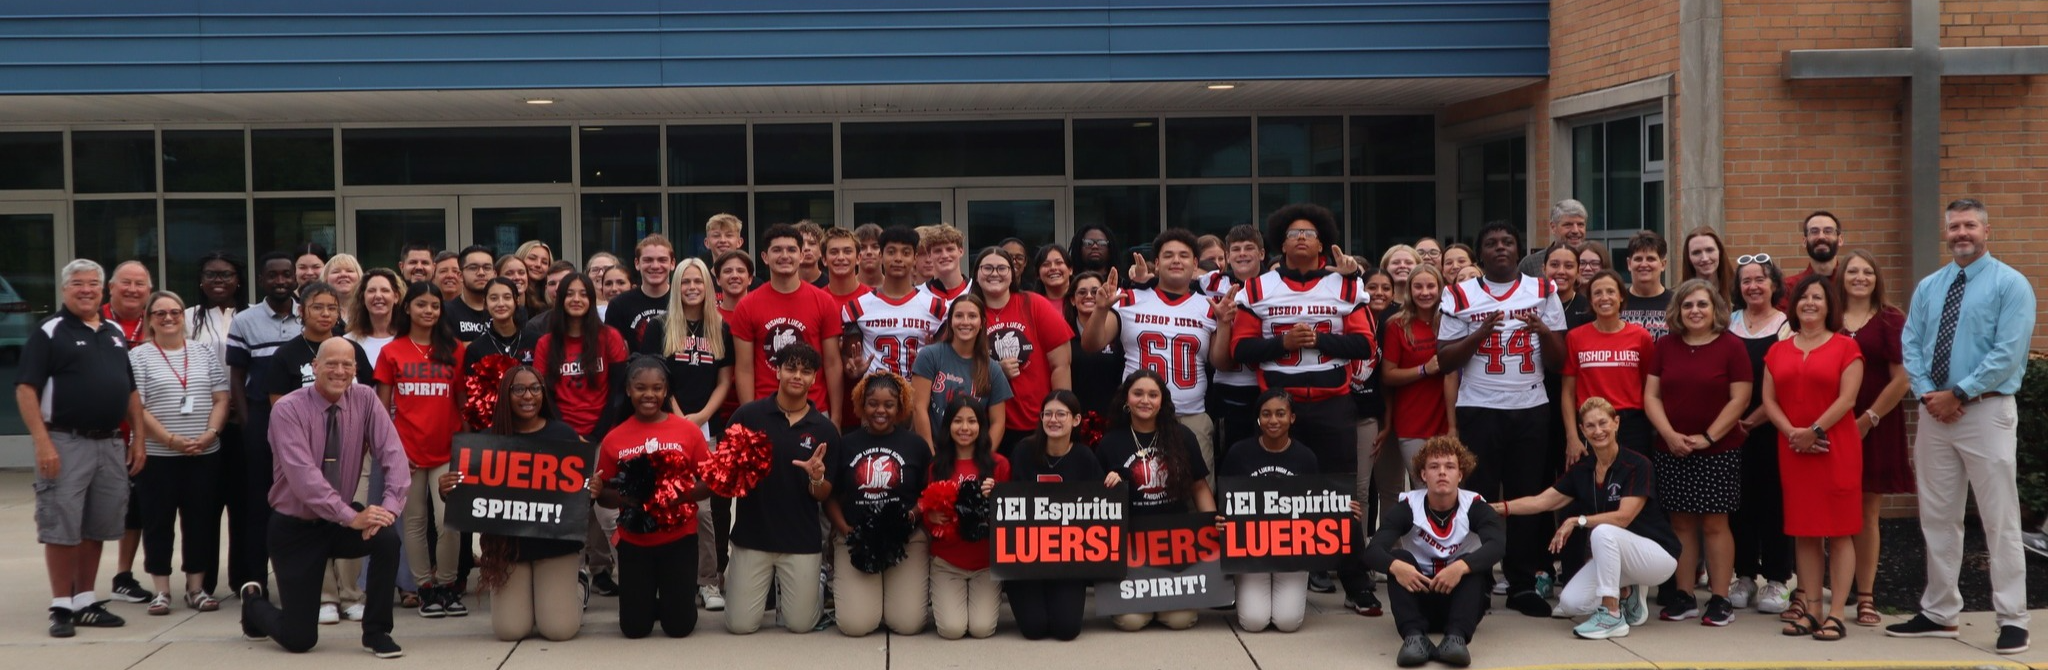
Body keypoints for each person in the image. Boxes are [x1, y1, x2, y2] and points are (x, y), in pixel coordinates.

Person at [1888, 199, 2035, 654]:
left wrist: (1961, 393)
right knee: (1937, 516)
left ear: (1987, 231)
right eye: (1954, 226)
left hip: (1986, 413)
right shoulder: (1932, 286)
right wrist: (1932, 394)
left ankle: (2013, 618)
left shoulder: (2011, 285)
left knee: (1999, 519)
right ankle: (1939, 612)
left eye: (1970, 225)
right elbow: (1911, 342)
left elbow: (2008, 353)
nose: (1961, 233)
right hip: (1937, 414)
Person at [1232, 203, 1379, 612]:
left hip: (1333, 405)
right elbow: (1239, 349)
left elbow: (1366, 344)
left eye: (1308, 232)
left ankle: (1355, 581)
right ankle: (1267, 573)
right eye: (1293, 232)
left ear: (1322, 242)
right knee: (1272, 492)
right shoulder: (1258, 288)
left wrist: (1317, 340)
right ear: (1281, 243)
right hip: (1278, 408)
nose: (1300, 237)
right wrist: (1282, 344)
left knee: (1340, 496)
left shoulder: (1347, 287)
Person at [239, 337, 407, 658]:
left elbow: (394, 456)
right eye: (331, 363)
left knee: (386, 537)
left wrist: (389, 509)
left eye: (347, 364)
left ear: (356, 370)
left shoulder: (366, 399)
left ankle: (377, 632)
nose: (339, 371)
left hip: (339, 522)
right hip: (296, 528)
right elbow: (305, 480)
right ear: (314, 367)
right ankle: (253, 602)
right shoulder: (287, 409)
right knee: (299, 638)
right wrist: (352, 517)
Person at [1433, 222, 1566, 618]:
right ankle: (1478, 581)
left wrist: (1542, 329)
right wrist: (1480, 333)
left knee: (1527, 496)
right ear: (1481, 253)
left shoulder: (1543, 290)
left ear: (1518, 248)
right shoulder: (1459, 293)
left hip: (1529, 406)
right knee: (1479, 496)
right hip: (1479, 406)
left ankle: (1522, 582)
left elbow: (1559, 361)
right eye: (1491, 243)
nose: (1500, 248)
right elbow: (1445, 360)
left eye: (1508, 242)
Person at [20, 259, 144, 637]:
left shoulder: (112, 333)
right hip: (64, 441)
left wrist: (138, 438)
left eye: (93, 283)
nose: (86, 289)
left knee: (97, 524)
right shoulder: (49, 331)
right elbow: (26, 389)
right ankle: (61, 606)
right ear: (64, 289)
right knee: (62, 524)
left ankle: (85, 600)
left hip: (109, 442)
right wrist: (42, 442)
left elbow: (130, 390)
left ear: (102, 289)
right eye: (77, 284)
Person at [1497, 398, 1680, 639]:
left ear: (1616, 423)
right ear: (1582, 430)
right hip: (1619, 557)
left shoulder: (1637, 464)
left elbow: (1623, 518)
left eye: (1603, 423)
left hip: (1657, 557)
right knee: (1571, 603)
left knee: (1603, 531)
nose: (1598, 431)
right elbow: (1542, 501)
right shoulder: (1583, 469)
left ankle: (1611, 615)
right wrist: (1495, 508)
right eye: (1590, 426)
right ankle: (1626, 593)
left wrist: (1577, 521)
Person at [435, 366, 587, 641]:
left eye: (535, 388)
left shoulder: (563, 434)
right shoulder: (485, 442)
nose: (527, 396)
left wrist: (592, 488)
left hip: (555, 547)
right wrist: (448, 490)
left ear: (543, 393)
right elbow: (467, 500)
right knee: (510, 631)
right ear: (506, 394)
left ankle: (579, 586)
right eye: (519, 389)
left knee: (559, 630)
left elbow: (577, 497)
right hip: (509, 549)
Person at [1642, 278, 1752, 625]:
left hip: (1718, 450)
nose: (1695, 311)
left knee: (1716, 524)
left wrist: (1708, 437)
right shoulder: (1666, 346)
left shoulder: (1731, 347)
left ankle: (1719, 599)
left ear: (1715, 309)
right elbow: (1651, 396)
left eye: (1702, 304)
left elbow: (1741, 399)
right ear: (1678, 310)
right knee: (1681, 523)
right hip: (1671, 449)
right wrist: (1670, 434)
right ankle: (1684, 595)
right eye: (1688, 305)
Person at [1762, 274, 1864, 642]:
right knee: (1804, 533)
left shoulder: (1845, 348)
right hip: (1794, 450)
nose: (1809, 303)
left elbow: (1848, 399)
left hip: (1834, 448)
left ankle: (1837, 612)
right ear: (1793, 305)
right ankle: (1812, 610)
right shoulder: (1778, 351)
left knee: (1838, 532)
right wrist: (1793, 433)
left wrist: (1814, 431)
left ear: (1829, 305)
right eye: (1803, 297)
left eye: (1817, 298)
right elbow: (1769, 400)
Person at [1082, 229, 1229, 473]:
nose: (1176, 260)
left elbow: (1221, 362)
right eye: (1169, 255)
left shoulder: (1209, 306)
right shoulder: (1130, 299)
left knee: (1196, 493)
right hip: (1137, 417)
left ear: (1195, 264)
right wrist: (1099, 310)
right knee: (1139, 489)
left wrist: (1224, 325)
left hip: (1190, 414)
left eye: (1183, 255)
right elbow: (1091, 344)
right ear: (1157, 263)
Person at [592, 357, 714, 638]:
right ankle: (648, 602)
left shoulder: (688, 431)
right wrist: (627, 497)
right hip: (635, 541)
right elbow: (605, 498)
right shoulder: (614, 438)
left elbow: (709, 483)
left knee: (679, 628)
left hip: (680, 538)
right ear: (628, 390)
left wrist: (676, 496)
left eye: (657, 388)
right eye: (641, 388)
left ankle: (673, 602)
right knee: (634, 629)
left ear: (666, 391)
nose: (649, 394)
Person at [724, 342, 838, 634]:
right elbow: (723, 471)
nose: (797, 376)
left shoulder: (824, 430)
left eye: (806, 371)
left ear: (815, 378)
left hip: (800, 540)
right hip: (753, 537)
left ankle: (816, 580)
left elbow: (825, 495)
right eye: (790, 368)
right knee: (739, 626)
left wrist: (815, 477)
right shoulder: (748, 416)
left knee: (800, 625)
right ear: (777, 371)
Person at [643, 257, 735, 606]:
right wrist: (680, 417)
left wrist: (701, 417)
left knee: (706, 507)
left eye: (698, 282)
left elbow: (724, 380)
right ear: (676, 285)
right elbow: (653, 379)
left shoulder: (720, 328)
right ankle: (660, 578)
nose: (692, 287)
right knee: (662, 501)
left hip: (705, 428)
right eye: (685, 281)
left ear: (709, 287)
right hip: (665, 425)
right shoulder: (660, 326)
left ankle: (708, 581)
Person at [1367, 436, 1505, 668]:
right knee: (1399, 559)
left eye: (1450, 467)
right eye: (1434, 467)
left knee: (1472, 564)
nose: (1442, 472)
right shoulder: (1409, 506)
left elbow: (1497, 546)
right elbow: (1373, 551)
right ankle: (1413, 636)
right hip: (1420, 597)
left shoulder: (1474, 505)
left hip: (1461, 602)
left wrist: (1461, 568)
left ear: (1460, 474)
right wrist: (1396, 567)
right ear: (1422, 474)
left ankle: (1457, 638)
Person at [375, 281, 469, 617]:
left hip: (448, 451)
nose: (428, 311)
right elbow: (381, 410)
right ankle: (424, 589)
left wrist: (468, 447)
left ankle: (446, 585)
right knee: (414, 522)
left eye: (434, 305)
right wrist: (392, 452)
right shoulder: (392, 351)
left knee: (449, 522)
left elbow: (463, 403)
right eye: (421, 305)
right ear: (408, 309)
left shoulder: (455, 349)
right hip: (407, 453)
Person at [1097, 370, 1214, 631]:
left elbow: (1200, 488)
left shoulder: (1183, 437)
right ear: (1126, 399)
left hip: (1174, 544)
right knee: (1132, 621)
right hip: (1131, 548)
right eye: (1138, 393)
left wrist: (1211, 531)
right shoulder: (1110, 442)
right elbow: (1096, 506)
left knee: (1179, 619)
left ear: (1163, 401)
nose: (1145, 400)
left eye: (1153, 394)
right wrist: (1109, 488)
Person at [1833, 249, 1911, 628]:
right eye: (1852, 271)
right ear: (1841, 277)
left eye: (1867, 271)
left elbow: (1903, 378)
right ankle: (1824, 593)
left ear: (1877, 278)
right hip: (1828, 426)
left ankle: (1865, 597)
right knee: (1828, 511)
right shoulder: (1828, 317)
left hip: (1875, 427)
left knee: (1867, 512)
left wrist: (1868, 419)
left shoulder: (1891, 319)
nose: (1860, 277)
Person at [826, 372, 930, 637]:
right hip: (855, 539)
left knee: (908, 624)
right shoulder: (846, 444)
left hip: (906, 540)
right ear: (862, 403)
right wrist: (845, 530)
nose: (880, 410)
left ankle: (894, 598)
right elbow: (831, 497)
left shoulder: (916, 445)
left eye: (889, 404)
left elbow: (929, 493)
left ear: (900, 406)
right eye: (872, 403)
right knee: (855, 625)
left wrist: (911, 515)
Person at [225, 252, 303, 596]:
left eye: (287, 274)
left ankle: (300, 579)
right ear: (262, 280)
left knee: (303, 500)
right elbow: (237, 377)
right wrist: (246, 425)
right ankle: (255, 578)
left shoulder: (312, 312)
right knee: (258, 503)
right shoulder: (245, 320)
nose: (281, 281)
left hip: (307, 423)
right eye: (274, 276)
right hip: (262, 419)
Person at [1003, 390, 1105, 641]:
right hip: (1025, 560)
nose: (1053, 420)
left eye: (1061, 414)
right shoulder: (1023, 452)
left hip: (1068, 560)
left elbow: (1102, 509)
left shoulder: (1084, 457)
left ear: (1076, 420)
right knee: (1034, 629)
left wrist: (1112, 482)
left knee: (1067, 630)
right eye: (1047, 414)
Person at [1220, 390, 1324, 634]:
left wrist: (1342, 509)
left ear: (1293, 418)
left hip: (1292, 551)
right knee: (1254, 622)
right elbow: (1225, 499)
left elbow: (1319, 503)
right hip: (1249, 552)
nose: (1273, 420)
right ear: (1258, 419)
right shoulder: (1238, 453)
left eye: (1280, 414)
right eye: (1266, 414)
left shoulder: (1306, 457)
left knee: (1288, 623)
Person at [1728, 255, 1794, 614]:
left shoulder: (1786, 326)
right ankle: (1744, 575)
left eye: (1760, 279)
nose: (1753, 286)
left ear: (1774, 284)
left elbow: (1786, 385)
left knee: (1773, 503)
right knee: (1740, 505)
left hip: (1771, 429)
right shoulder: (1729, 323)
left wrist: (1752, 421)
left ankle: (1778, 580)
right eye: (1746, 280)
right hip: (1731, 431)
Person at [731, 224, 847, 421]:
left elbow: (833, 364)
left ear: (802, 255)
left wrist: (835, 418)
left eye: (791, 250)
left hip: (815, 410)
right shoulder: (747, 305)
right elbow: (744, 369)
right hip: (765, 411)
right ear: (765, 257)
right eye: (777, 250)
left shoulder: (824, 302)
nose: (784, 255)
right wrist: (750, 416)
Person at [968, 246, 1073, 457]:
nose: (994, 273)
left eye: (1002, 268)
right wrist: (995, 372)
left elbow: (1061, 364)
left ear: (1013, 274)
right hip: (984, 422)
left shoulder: (1034, 304)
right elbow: (956, 364)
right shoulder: (968, 312)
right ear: (976, 275)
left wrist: (1061, 414)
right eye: (987, 268)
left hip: (1036, 420)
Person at [923, 398, 1010, 639]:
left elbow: (1012, 516)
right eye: (957, 421)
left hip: (986, 565)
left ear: (981, 426)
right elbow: (927, 514)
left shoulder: (999, 465)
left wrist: (997, 495)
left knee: (982, 629)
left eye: (972, 421)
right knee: (952, 630)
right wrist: (930, 515)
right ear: (947, 426)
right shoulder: (936, 466)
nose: (965, 428)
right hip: (947, 563)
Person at [186, 252, 244, 598]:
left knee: (242, 505)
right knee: (203, 505)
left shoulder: (251, 316)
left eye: (226, 274)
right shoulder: (188, 318)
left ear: (238, 279)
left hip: (242, 422)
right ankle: (202, 580)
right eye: (211, 275)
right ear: (201, 280)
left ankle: (242, 579)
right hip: (201, 423)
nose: (219, 281)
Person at [1562, 271, 1655, 458]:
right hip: (1591, 424)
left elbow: (1649, 388)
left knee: (1632, 484)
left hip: (1632, 426)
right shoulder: (1575, 337)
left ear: (1621, 296)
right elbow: (1568, 392)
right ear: (1590, 300)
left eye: (1611, 292)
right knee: (1594, 484)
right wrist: (1572, 436)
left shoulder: (1641, 336)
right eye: (1597, 293)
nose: (1604, 298)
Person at [102, 261, 152, 604]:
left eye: (140, 284)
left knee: (135, 509)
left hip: (142, 432)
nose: (133, 289)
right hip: (99, 432)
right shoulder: (95, 319)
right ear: (111, 288)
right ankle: (76, 583)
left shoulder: (158, 319)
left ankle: (123, 574)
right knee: (89, 508)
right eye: (126, 283)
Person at [535, 273, 630, 440]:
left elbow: (618, 392)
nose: (576, 299)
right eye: (570, 294)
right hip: (561, 436)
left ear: (592, 300)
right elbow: (545, 396)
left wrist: (596, 436)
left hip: (606, 434)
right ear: (561, 299)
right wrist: (567, 434)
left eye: (583, 294)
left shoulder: (610, 337)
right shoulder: (545, 343)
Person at [844, 226, 946, 379]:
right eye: (891, 252)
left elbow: (948, 360)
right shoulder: (857, 307)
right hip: (874, 398)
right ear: (881, 256)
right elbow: (847, 359)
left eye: (906, 253)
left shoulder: (937, 307)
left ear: (915, 258)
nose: (898, 258)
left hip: (919, 398)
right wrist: (853, 370)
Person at [909, 294, 1012, 446]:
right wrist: (930, 457)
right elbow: (919, 409)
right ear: (950, 322)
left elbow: (998, 423)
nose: (965, 322)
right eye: (959, 316)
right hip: (933, 451)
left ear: (982, 323)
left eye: (972, 316)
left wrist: (982, 459)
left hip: (970, 455)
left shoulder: (993, 369)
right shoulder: (930, 355)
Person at [1380, 265, 1450, 481]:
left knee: (1449, 487)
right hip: (1412, 421)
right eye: (1418, 286)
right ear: (1410, 290)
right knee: (1423, 486)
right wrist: (1423, 370)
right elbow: (1388, 375)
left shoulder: (1451, 320)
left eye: (1431, 286)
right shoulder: (1397, 325)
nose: (1425, 292)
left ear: (1441, 288)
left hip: (1449, 420)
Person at [1204, 224, 1267, 458]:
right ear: (1227, 256)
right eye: (1236, 249)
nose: (1242, 254)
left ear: (1261, 254)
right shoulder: (1211, 285)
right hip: (1227, 387)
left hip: (1266, 385)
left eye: (1249, 248)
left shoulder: (1275, 286)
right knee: (1230, 460)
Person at [1065, 271, 1123, 418]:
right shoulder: (1063, 334)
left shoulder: (1118, 331)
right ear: (1072, 299)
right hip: (1075, 418)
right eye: (1082, 292)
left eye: (1095, 291)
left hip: (1113, 417)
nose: (1089, 296)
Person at [606, 234, 678, 347]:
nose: (655, 266)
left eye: (662, 260)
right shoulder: (619, 305)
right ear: (637, 263)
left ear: (672, 264)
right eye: (648, 260)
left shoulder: (682, 300)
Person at [461, 278, 535, 373]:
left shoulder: (535, 341)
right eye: (494, 298)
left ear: (516, 301)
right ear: (485, 304)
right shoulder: (475, 349)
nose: (500, 304)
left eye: (507, 297)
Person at [1618, 231, 1673, 340]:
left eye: (1650, 259)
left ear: (1663, 264)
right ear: (1629, 264)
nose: (1644, 264)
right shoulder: (1617, 302)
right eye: (1638, 259)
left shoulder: (1676, 302)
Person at [1785, 211, 1844, 307]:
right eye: (1814, 231)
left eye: (1828, 231)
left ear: (1840, 240)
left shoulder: (1850, 285)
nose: (1821, 237)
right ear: (1804, 241)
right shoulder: (1789, 287)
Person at [1518, 199, 1590, 278]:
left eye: (1580, 224)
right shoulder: (1530, 264)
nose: (1575, 230)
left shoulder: (1596, 263)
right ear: (1553, 227)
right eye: (1568, 224)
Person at [443, 245, 501, 342]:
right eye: (473, 268)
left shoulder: (505, 309)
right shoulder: (446, 311)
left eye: (487, 267)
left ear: (495, 274)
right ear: (460, 276)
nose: (481, 273)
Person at [1681, 227, 1737, 301]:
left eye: (1710, 250)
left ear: (1720, 252)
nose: (1705, 258)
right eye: (1696, 253)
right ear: (1688, 257)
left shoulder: (1738, 292)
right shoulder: (1677, 296)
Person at [921, 223, 971, 301]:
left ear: (961, 251)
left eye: (950, 249)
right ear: (929, 255)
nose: (944, 255)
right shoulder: (919, 295)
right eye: (938, 251)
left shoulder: (977, 291)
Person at [822, 227, 870, 308]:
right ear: (824, 260)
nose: (841, 257)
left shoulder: (873, 299)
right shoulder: (816, 301)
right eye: (834, 252)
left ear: (858, 258)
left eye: (847, 252)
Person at [1546, 245, 1592, 329]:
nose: (1561, 271)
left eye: (1569, 266)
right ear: (1544, 269)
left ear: (1578, 271)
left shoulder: (1589, 308)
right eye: (1554, 265)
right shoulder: (1533, 304)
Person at [714, 250, 754, 314]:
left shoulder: (763, 315)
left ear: (750, 279)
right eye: (728, 271)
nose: (734, 276)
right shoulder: (710, 318)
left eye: (740, 271)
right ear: (718, 280)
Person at [795, 220, 827, 286]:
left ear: (821, 250)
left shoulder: (831, 285)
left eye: (812, 243)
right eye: (801, 244)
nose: (806, 248)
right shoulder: (783, 287)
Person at [854, 223, 884, 288]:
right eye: (862, 247)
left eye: (875, 247)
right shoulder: (846, 288)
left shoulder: (895, 288)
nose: (869, 252)